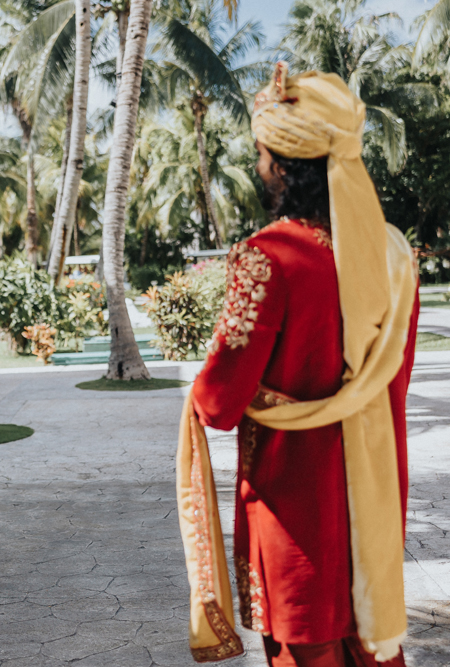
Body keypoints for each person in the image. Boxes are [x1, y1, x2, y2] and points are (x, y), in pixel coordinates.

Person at [175, 63, 419, 666]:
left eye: (263, 153)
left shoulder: (271, 257)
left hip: (295, 514)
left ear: (282, 163)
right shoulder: (392, 256)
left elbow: (218, 404)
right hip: (372, 504)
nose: (260, 166)